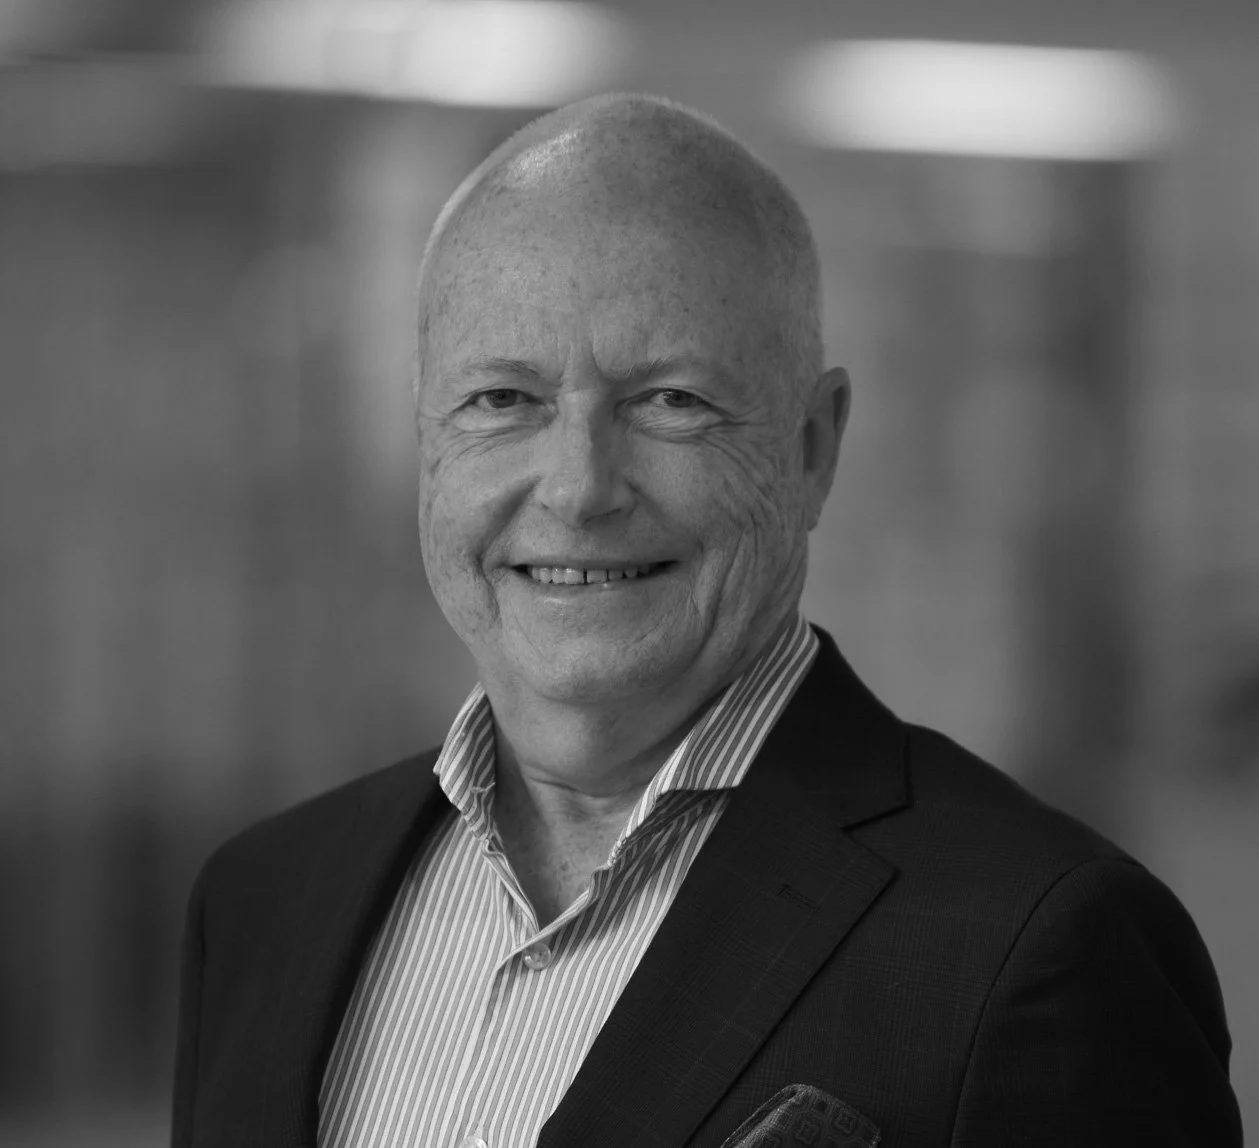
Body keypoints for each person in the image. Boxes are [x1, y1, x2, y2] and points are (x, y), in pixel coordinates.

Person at [170, 93, 1242, 1148]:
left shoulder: (1036, 943)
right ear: (424, 437)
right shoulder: (264, 904)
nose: (579, 488)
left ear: (812, 445)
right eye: (502, 400)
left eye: (669, 400)